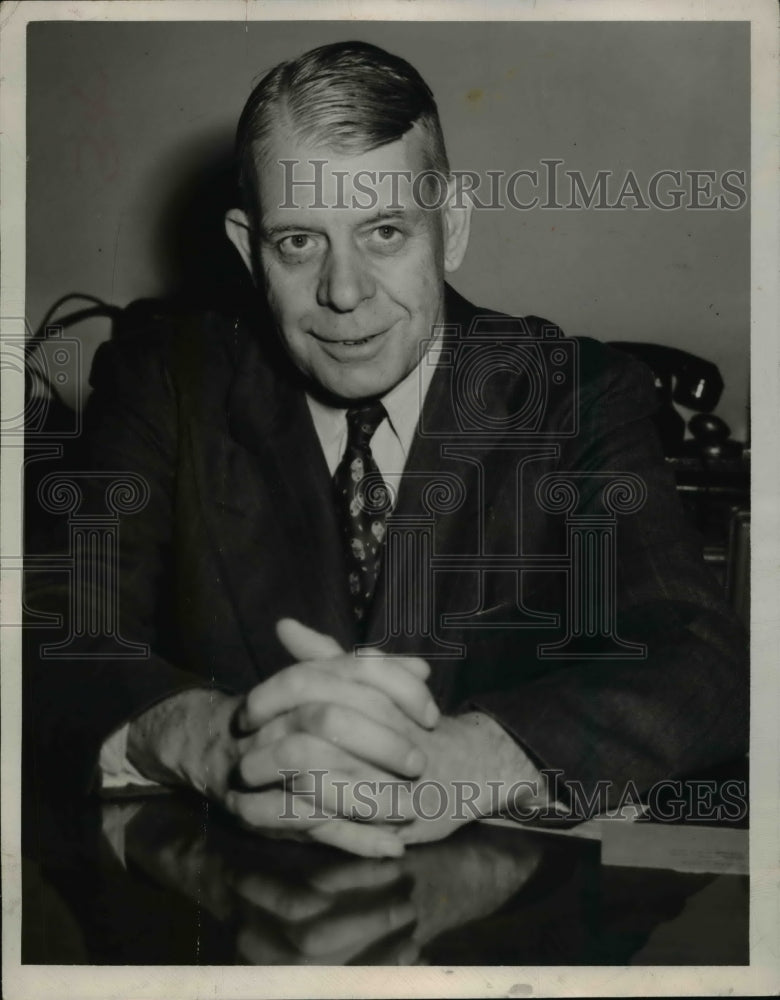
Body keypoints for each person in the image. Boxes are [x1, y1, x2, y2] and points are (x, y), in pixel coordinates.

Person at [24, 40, 748, 859]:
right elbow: (54, 637)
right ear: (246, 245)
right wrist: (211, 738)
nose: (343, 291)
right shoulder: (165, 383)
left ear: (455, 226)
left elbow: (705, 658)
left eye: (385, 231)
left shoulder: (573, 394)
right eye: (298, 242)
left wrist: (472, 759)